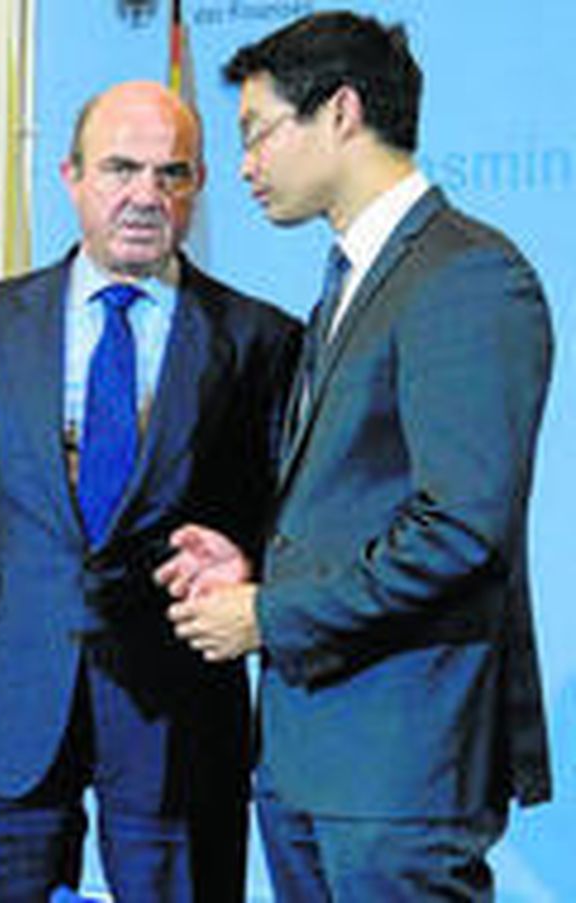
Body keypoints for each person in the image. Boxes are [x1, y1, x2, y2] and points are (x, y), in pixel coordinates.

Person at [159, 11, 554, 901]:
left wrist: (272, 614)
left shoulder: (466, 277)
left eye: (257, 132)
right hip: (312, 760)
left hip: (399, 770)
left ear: (340, 112)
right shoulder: (355, 279)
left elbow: (459, 529)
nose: (244, 166)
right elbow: (362, 499)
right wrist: (257, 566)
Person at [0, 81, 300, 902]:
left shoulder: (262, 339)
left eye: (172, 173)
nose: (146, 194)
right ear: (72, 176)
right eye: (121, 168)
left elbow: (283, 518)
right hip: (9, 701)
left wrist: (243, 570)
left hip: (179, 712)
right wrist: (22, 614)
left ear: (198, 185)